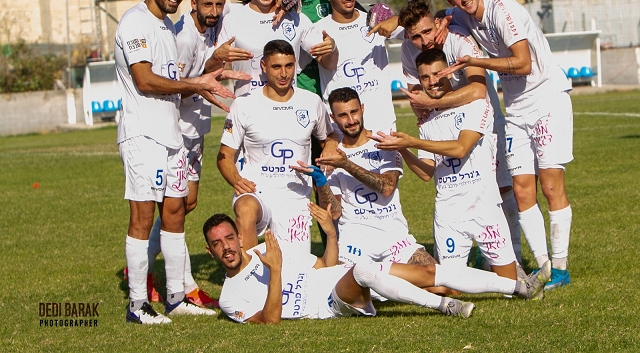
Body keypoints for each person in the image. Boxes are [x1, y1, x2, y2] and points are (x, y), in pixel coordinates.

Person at [440, 0, 573, 290]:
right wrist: (438, 20)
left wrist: (476, 62)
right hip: (515, 109)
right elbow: (434, 17)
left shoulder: (503, 9)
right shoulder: (461, 14)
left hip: (547, 99)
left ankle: (561, 267)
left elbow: (523, 63)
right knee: (522, 189)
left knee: (550, 187)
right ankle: (544, 267)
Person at [115, 0, 228, 324]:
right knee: (142, 217)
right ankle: (137, 305)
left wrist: (206, 83)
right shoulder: (135, 22)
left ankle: (176, 298)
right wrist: (197, 83)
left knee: (176, 213)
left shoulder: (166, 25)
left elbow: (176, 84)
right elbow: (145, 80)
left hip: (172, 136)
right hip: (142, 135)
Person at [203, 210, 551, 324]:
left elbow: (323, 265)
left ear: (239, 237)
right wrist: (276, 271)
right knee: (364, 270)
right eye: (217, 244)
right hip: (328, 303)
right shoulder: (229, 298)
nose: (226, 247)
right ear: (210, 250)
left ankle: (519, 287)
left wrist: (329, 233)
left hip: (337, 277)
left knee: (428, 273)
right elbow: (270, 322)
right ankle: (443, 306)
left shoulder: (268, 249)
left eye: (229, 238)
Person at [142, 0, 249, 308]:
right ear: (193, 4)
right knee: (174, 208)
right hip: (176, 132)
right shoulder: (184, 38)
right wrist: (208, 78)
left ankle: (149, 269)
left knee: (186, 204)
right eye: (207, 5)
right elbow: (173, 89)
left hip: (194, 132)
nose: (214, 11)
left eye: (218, 5)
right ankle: (170, 281)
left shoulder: (214, 24)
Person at [395, 0, 524, 271]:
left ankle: (513, 256)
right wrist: (424, 115)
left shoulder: (458, 40)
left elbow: (478, 91)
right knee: (455, 181)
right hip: (440, 118)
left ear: (437, 22)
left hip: (478, 114)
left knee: (500, 188)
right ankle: (479, 251)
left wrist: (433, 104)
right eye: (416, 36)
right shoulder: (408, 50)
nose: (424, 41)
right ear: (407, 36)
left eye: (427, 31)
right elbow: (417, 96)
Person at [371, 49, 519, 281]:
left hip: (485, 208)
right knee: (450, 286)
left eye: (437, 74)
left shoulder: (477, 105)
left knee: (509, 282)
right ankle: (382, 279)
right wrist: (401, 148)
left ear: (449, 72)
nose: (432, 82)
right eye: (425, 77)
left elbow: (461, 148)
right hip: (449, 214)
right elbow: (426, 172)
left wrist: (413, 142)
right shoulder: (427, 122)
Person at [292, 87, 436, 268]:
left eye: (354, 112)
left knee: (439, 280)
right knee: (337, 283)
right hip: (355, 244)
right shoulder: (332, 156)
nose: (351, 120)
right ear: (333, 118)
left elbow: (387, 187)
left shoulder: (383, 143)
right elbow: (334, 212)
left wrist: (346, 164)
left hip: (395, 240)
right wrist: (321, 181)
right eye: (343, 115)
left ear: (362, 108)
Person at [216, 40, 336, 252]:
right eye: (276, 67)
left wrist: (330, 145)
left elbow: (329, 136)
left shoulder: (311, 102)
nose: (283, 74)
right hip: (257, 191)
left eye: (289, 66)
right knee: (245, 208)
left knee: (294, 266)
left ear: (295, 64)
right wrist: (236, 180)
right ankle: (250, 271)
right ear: (263, 66)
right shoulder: (244, 104)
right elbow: (224, 155)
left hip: (295, 195)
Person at [215, 0, 338, 98]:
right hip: (248, 108)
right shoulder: (232, 20)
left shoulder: (296, 18)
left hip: (288, 107)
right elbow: (210, 70)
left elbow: (329, 64)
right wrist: (216, 58)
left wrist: (332, 48)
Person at [314, 0, 402, 134]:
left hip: (382, 125)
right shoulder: (319, 30)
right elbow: (327, 64)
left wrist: (399, 18)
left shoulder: (375, 20)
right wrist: (332, 48)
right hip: (344, 130)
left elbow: (419, 32)